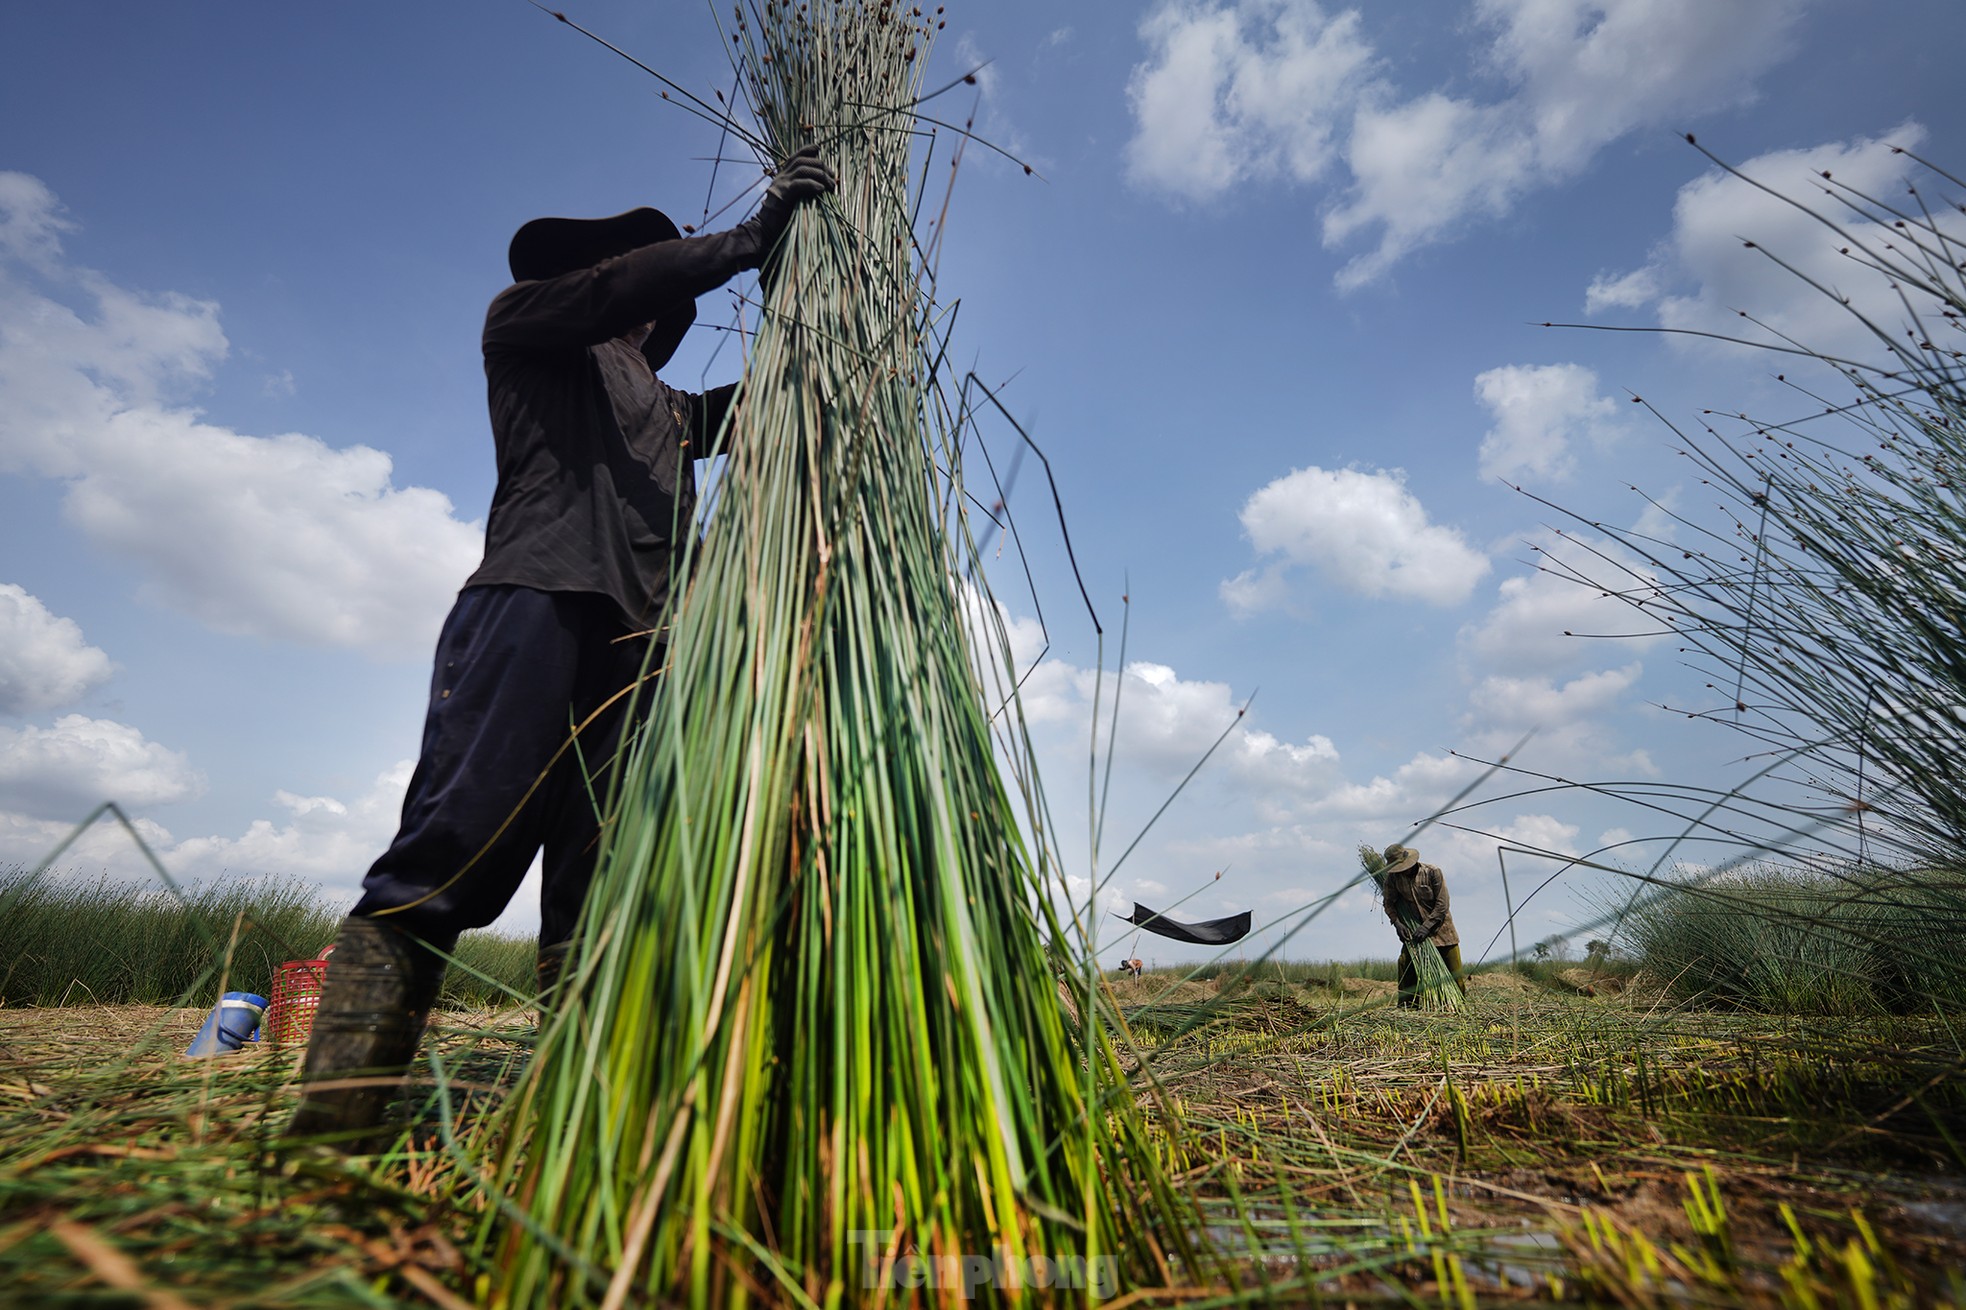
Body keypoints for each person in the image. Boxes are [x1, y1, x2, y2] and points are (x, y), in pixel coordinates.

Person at [286, 146, 835, 1148]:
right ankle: (331, 1134)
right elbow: (610, 288)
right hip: (532, 602)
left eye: (650, 269)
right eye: (628, 265)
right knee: (453, 845)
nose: (634, 280)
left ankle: (578, 1129)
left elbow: (748, 414)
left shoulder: (667, 407)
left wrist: (816, 336)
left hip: (640, 648)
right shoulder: (528, 324)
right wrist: (746, 240)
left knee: (599, 880)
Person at [1378, 843, 1462, 1008]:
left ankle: (1457, 1008)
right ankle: (1407, 1008)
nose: (1402, 871)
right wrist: (1397, 923)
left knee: (1454, 974)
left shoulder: (1432, 872)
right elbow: (1389, 904)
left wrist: (1427, 926)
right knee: (1405, 967)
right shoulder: (1393, 879)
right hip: (1413, 933)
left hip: (1442, 933)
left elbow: (1442, 904)